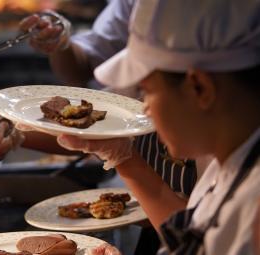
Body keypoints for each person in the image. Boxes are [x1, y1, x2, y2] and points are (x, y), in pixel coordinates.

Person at [55, 0, 260, 253]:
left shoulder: (254, 205)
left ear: (200, 88)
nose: (146, 108)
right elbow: (195, 243)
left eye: (147, 91)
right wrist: (123, 157)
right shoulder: (230, 165)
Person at [0, 0, 198, 199]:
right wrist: (18, 129)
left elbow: (181, 230)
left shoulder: (215, 165)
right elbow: (103, 118)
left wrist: (124, 159)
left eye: (148, 89)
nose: (145, 107)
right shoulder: (148, 79)